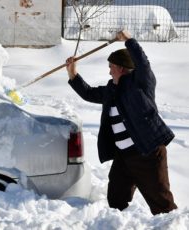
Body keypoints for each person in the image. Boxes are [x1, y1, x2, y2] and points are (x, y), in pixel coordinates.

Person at [65, 30, 177, 215]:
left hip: (147, 154)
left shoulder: (140, 84)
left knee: (162, 203)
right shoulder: (111, 89)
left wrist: (129, 40)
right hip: (123, 158)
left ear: (122, 67)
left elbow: (143, 63)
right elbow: (89, 93)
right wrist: (73, 73)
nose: (109, 70)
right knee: (116, 201)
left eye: (111, 66)